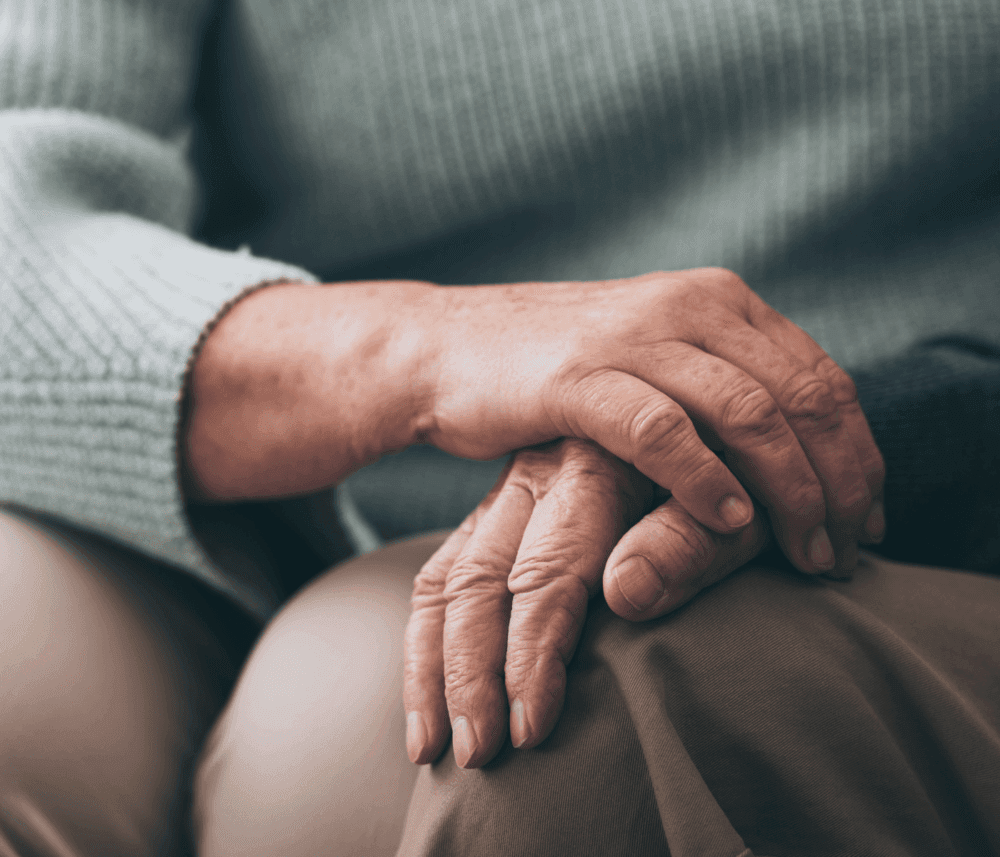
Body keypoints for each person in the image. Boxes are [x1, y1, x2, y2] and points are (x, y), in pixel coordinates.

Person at [0, 1, 997, 856]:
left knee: (398, 728)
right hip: (280, 479)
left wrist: (781, 420)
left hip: (917, 488)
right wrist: (413, 351)